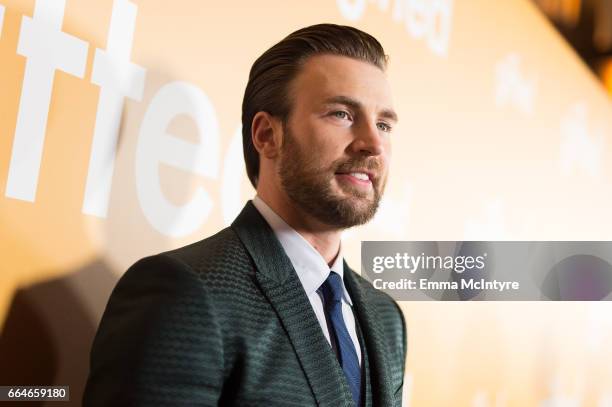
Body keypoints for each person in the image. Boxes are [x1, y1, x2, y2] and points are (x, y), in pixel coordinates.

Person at [83, 23, 407, 407]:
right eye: (341, 114)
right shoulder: (183, 293)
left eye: (383, 124)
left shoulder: (386, 319)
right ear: (267, 135)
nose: (373, 143)